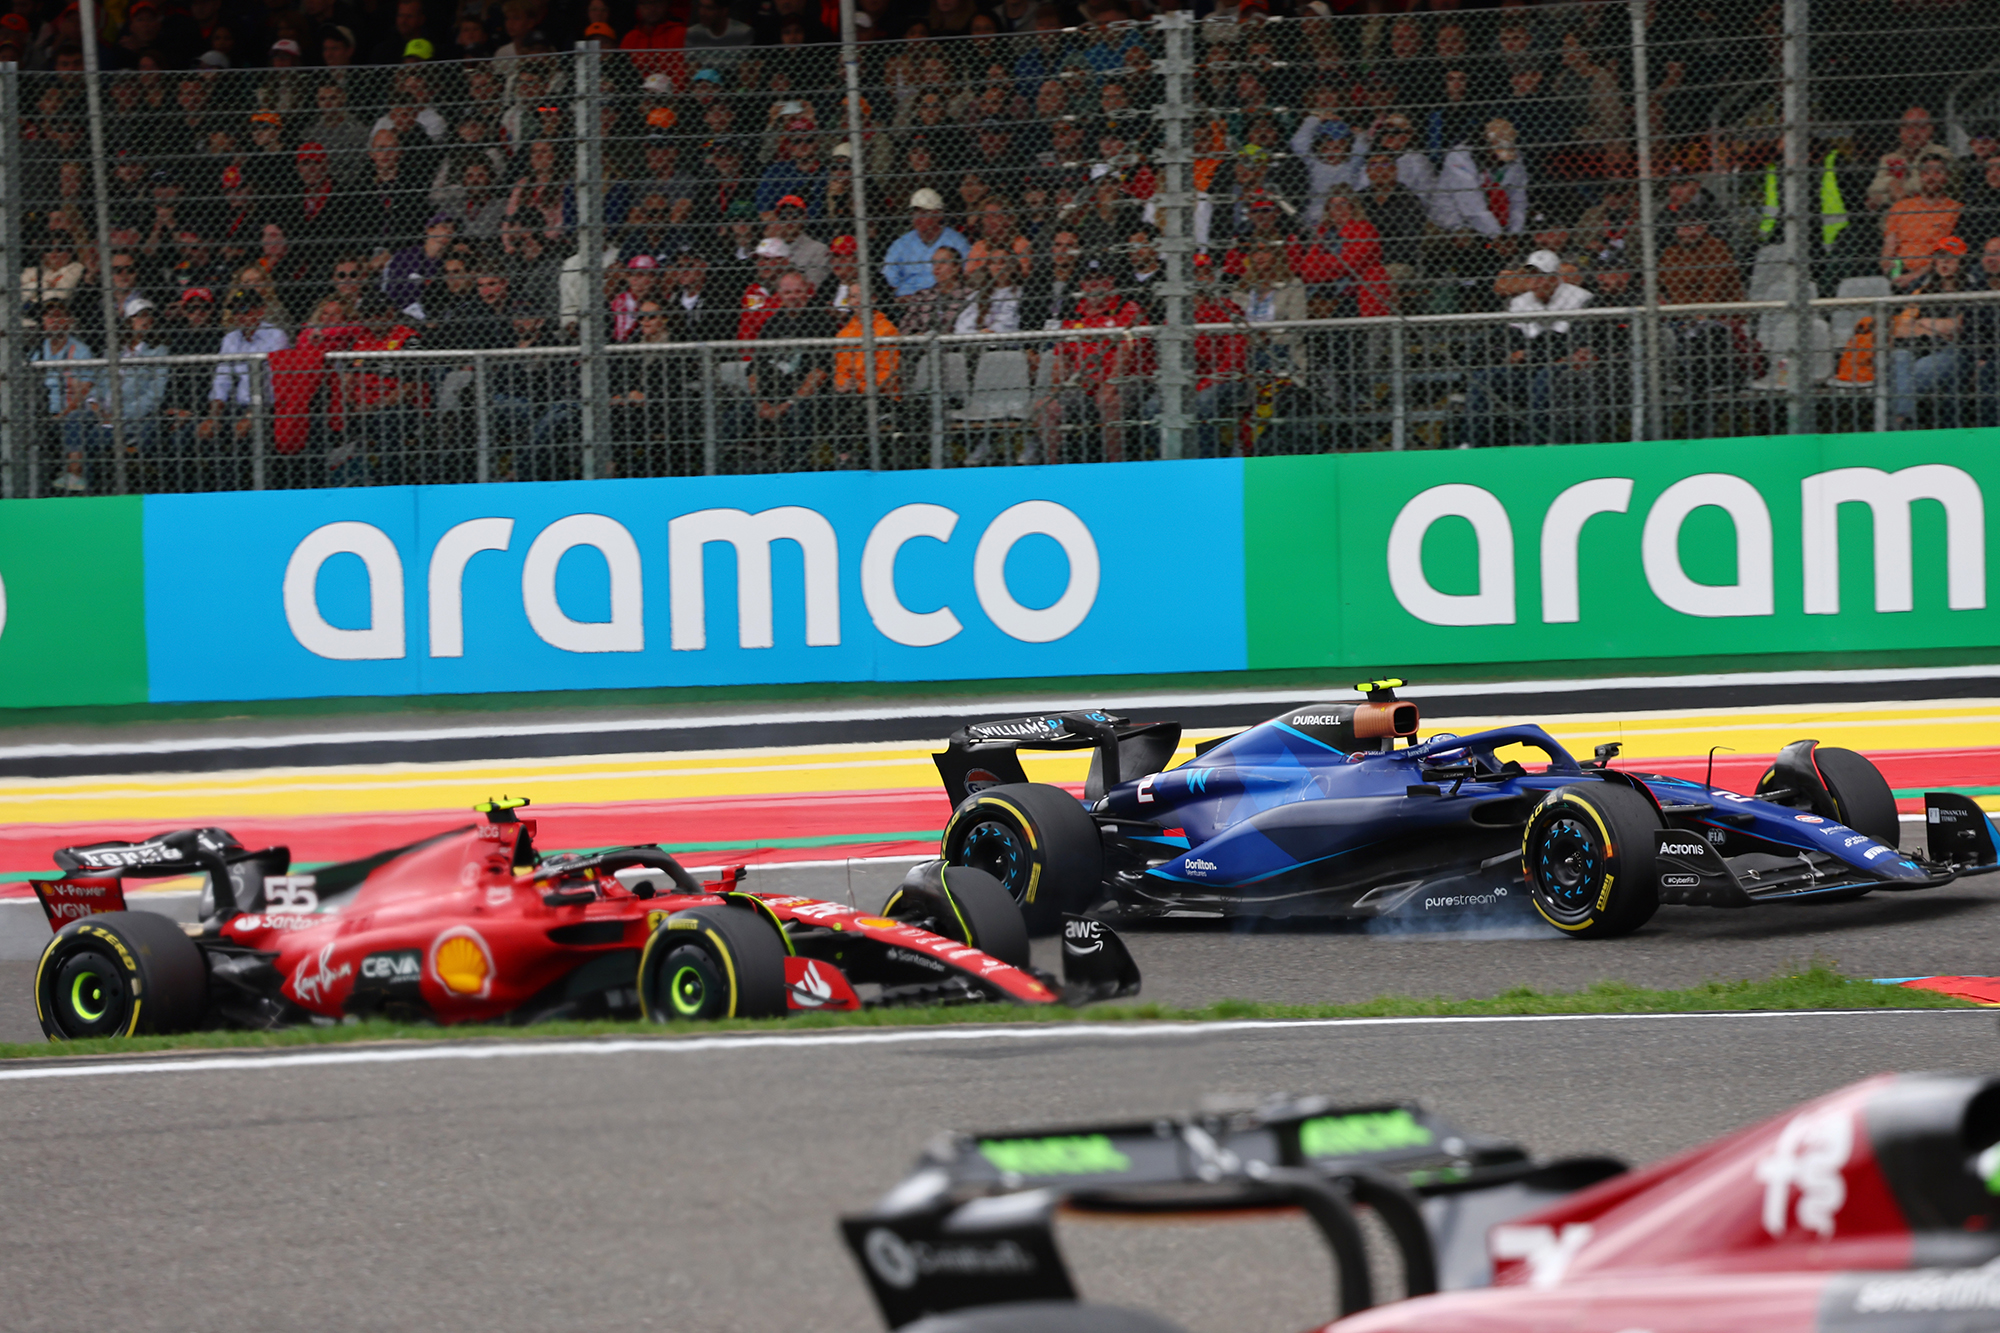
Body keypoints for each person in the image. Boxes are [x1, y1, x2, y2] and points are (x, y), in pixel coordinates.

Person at [1460, 250, 1593, 448]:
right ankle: (1471, 442)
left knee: (1546, 376)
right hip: (1530, 369)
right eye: (1531, 276)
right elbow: (1511, 339)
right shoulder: (1521, 301)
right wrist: (1518, 354)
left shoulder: (1579, 297)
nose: (1535, 282)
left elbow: (1566, 344)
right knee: (1485, 378)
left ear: (1555, 277)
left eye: (1541, 277)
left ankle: (1534, 443)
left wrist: (1529, 353)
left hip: (1564, 372)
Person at [1033, 262, 1146, 465]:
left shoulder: (1126, 308)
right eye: (1089, 279)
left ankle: (1115, 465)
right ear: (1081, 284)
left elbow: (1127, 350)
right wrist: (1056, 390)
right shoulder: (1074, 313)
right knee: (1045, 406)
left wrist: (1110, 385)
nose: (1095, 284)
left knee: (1108, 402)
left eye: (1101, 278)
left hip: (1126, 382)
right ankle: (1052, 468)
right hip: (1084, 385)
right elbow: (1062, 356)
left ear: (1111, 280)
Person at [739, 270, 834, 469]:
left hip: (806, 398)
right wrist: (759, 401)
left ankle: (794, 471)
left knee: (799, 415)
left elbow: (821, 370)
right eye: (788, 292)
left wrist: (790, 402)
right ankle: (728, 471)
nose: (794, 297)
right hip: (768, 396)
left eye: (799, 291)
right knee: (736, 415)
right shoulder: (773, 323)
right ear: (780, 296)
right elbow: (754, 368)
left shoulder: (822, 322)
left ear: (808, 291)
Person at [199, 289, 292, 488]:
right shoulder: (231, 339)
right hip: (238, 406)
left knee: (246, 440)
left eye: (245, 310)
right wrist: (213, 416)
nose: (240, 316)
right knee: (203, 435)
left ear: (260, 311)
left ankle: (259, 490)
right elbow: (222, 379)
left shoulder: (275, 336)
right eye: (236, 311)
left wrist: (250, 418)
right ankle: (221, 494)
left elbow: (271, 382)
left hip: (268, 408)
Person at [1889, 236, 1971, 429]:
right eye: (1940, 257)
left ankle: (1900, 424)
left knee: (1917, 372)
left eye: (1952, 257)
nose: (1945, 262)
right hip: (1921, 348)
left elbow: (1956, 327)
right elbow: (1900, 329)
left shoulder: (1971, 288)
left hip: (1954, 350)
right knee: (1899, 356)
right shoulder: (1923, 291)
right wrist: (1938, 327)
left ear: (1962, 261)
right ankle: (1905, 421)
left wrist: (1922, 322)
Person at [36, 299, 95, 494]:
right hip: (42, 410)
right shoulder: (37, 350)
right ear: (44, 321)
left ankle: (74, 476)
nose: (54, 321)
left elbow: (85, 389)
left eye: (59, 316)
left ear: (69, 321)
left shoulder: (80, 350)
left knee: (73, 420)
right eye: (50, 316)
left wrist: (63, 414)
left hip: (72, 410)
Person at [1881, 158, 1963, 288]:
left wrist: (1914, 276)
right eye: (1926, 172)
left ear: (1947, 176)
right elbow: (1890, 244)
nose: (1931, 177)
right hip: (1901, 268)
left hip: (1932, 272)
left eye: (1938, 172)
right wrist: (1888, 265)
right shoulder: (1901, 207)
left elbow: (1947, 252)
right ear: (1920, 177)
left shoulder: (1954, 209)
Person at [883, 188, 971, 300]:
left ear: (939, 215)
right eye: (915, 212)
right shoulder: (901, 244)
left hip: (943, 298)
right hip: (906, 300)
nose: (918, 218)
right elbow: (890, 280)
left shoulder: (957, 242)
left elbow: (965, 276)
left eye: (924, 213)